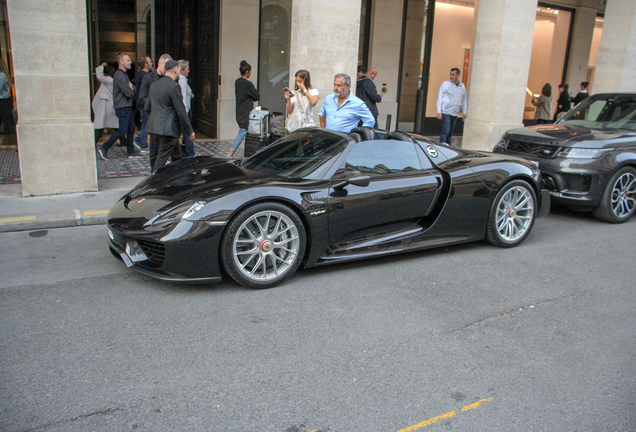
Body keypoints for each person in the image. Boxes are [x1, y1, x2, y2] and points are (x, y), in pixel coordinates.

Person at [145, 60, 195, 173]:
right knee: (161, 158)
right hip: (168, 130)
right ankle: (154, 183)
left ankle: (177, 179)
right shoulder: (174, 87)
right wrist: (190, 131)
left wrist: (157, 117)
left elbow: (147, 107)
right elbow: (181, 111)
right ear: (176, 70)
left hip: (155, 127)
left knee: (176, 156)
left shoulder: (154, 85)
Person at [97, 53, 141, 160]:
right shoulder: (120, 75)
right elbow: (129, 93)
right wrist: (131, 88)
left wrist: (131, 88)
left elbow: (133, 89)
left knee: (131, 129)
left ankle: (130, 152)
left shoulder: (124, 75)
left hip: (127, 106)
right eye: (128, 60)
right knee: (122, 130)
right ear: (121, 62)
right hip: (123, 107)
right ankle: (104, 147)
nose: (130, 62)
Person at [228, 60, 259, 157]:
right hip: (246, 113)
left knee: (246, 132)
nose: (251, 73)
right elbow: (257, 96)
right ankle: (231, 153)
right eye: (250, 71)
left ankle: (249, 153)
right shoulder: (248, 84)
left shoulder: (237, 82)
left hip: (239, 111)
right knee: (243, 131)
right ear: (247, 71)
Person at [436, 67, 467, 145]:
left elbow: (464, 99)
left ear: (458, 75)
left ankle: (448, 147)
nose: (451, 76)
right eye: (450, 74)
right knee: (446, 130)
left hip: (455, 112)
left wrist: (464, 111)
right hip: (446, 111)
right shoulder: (446, 84)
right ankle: (442, 145)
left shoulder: (462, 86)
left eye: (453, 74)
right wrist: (439, 111)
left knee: (450, 132)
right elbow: (440, 97)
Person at [92, 63, 120, 144]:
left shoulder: (108, 80)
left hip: (106, 105)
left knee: (100, 125)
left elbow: (99, 76)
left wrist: (101, 66)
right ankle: (123, 140)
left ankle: (94, 142)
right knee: (115, 125)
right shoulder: (112, 80)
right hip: (108, 104)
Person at [133, 55, 153, 151]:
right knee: (146, 124)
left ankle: (140, 140)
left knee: (147, 124)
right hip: (144, 104)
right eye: (150, 62)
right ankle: (142, 143)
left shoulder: (140, 74)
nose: (151, 63)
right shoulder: (144, 76)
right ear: (145, 64)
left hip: (142, 103)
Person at [178, 59, 195, 156]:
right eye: (187, 69)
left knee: (186, 134)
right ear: (182, 70)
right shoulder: (183, 82)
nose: (188, 71)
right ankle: (192, 154)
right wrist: (184, 114)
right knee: (189, 133)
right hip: (185, 111)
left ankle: (184, 152)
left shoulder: (182, 81)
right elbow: (183, 98)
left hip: (185, 111)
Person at [0, 57, 15, 135]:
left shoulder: (1, 75)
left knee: (8, 123)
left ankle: (11, 138)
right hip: (3, 102)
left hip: (3, 102)